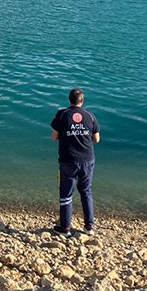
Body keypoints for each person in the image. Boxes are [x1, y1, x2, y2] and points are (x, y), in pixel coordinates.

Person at [50, 88, 100, 236]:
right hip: (87, 159)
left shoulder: (61, 114)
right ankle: (89, 226)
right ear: (82, 101)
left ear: (69, 100)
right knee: (86, 191)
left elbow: (54, 137)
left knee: (66, 193)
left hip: (68, 160)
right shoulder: (90, 115)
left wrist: (67, 136)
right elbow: (97, 139)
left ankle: (65, 228)